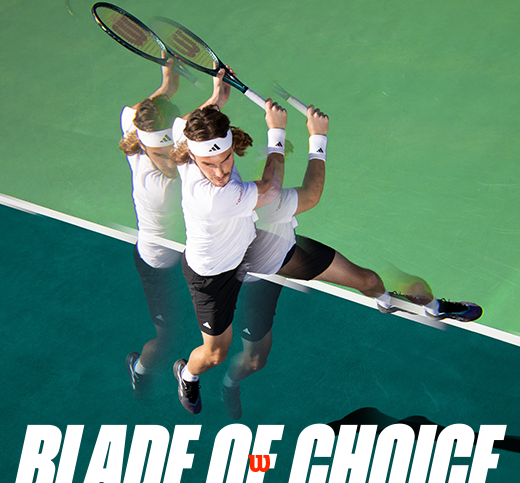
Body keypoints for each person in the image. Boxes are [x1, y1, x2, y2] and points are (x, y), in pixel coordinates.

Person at [220, 107, 483, 419]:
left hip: (289, 252)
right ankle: (229, 383)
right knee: (255, 359)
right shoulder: (254, 202)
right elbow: (308, 193)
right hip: (257, 279)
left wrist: (218, 97)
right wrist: (316, 136)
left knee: (369, 280)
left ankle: (406, 304)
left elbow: (269, 177)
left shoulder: (243, 190)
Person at [169, 67, 287, 414]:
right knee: (216, 354)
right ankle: (187, 374)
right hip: (211, 277)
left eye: (226, 159)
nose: (220, 172)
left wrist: (216, 97)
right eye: (209, 164)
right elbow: (272, 189)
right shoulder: (213, 197)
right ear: (192, 156)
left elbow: (191, 121)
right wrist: (277, 131)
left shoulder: (187, 138)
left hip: (246, 249)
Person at [119, 57, 185, 400]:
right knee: (167, 337)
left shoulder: (135, 133)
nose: (171, 160)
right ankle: (140, 369)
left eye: (172, 150)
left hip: (185, 252)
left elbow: (141, 111)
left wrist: (166, 83)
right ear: (145, 146)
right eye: (162, 154)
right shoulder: (163, 189)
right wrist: (215, 101)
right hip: (157, 262)